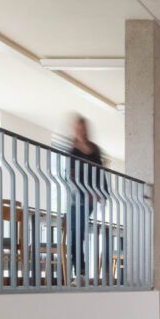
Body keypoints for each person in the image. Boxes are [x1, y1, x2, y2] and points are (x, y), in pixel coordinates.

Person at [67, 116, 108, 285]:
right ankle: (80, 272)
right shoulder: (72, 150)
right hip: (77, 196)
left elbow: (100, 171)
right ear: (74, 130)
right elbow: (72, 175)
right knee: (75, 234)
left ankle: (81, 273)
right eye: (78, 128)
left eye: (83, 128)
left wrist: (102, 192)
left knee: (79, 233)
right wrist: (85, 190)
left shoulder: (94, 149)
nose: (81, 131)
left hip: (89, 196)